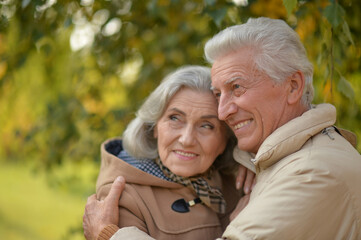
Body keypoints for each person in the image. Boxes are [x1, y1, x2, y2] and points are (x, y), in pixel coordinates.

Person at [84, 17, 361, 239]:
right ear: (153, 125)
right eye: (218, 94)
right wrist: (253, 162)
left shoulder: (311, 173)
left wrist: (110, 235)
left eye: (237, 87)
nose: (223, 111)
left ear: (293, 86)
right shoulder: (278, 163)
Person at [84, 65, 256, 240]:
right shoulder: (122, 195)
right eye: (175, 118)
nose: (187, 139)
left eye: (206, 126)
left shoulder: (238, 181)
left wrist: (256, 162)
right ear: (154, 127)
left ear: (225, 141)